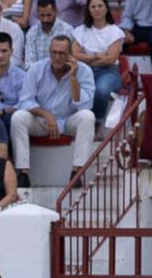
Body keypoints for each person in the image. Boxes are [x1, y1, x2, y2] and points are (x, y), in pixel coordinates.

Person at [12, 35, 95, 187]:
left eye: (61, 53)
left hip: (68, 120)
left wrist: (73, 78)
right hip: (42, 122)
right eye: (53, 52)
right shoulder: (36, 69)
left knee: (88, 117)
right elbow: (25, 100)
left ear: (70, 55)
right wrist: (46, 114)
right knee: (18, 117)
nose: (57, 57)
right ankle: (23, 173)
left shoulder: (84, 71)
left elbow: (84, 105)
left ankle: (76, 172)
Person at [72, 0, 123, 123]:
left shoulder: (115, 31)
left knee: (101, 90)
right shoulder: (81, 30)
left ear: (106, 8)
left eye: (100, 6)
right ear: (88, 10)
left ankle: (98, 122)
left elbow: (111, 59)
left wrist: (86, 57)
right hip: (84, 70)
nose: (97, 9)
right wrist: (96, 55)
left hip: (108, 71)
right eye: (93, 6)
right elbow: (75, 55)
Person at [24, 0, 75, 66]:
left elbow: (71, 59)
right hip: (38, 74)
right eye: (42, 15)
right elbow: (29, 62)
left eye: (48, 15)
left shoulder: (68, 30)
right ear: (37, 14)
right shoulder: (32, 32)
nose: (45, 19)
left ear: (56, 12)